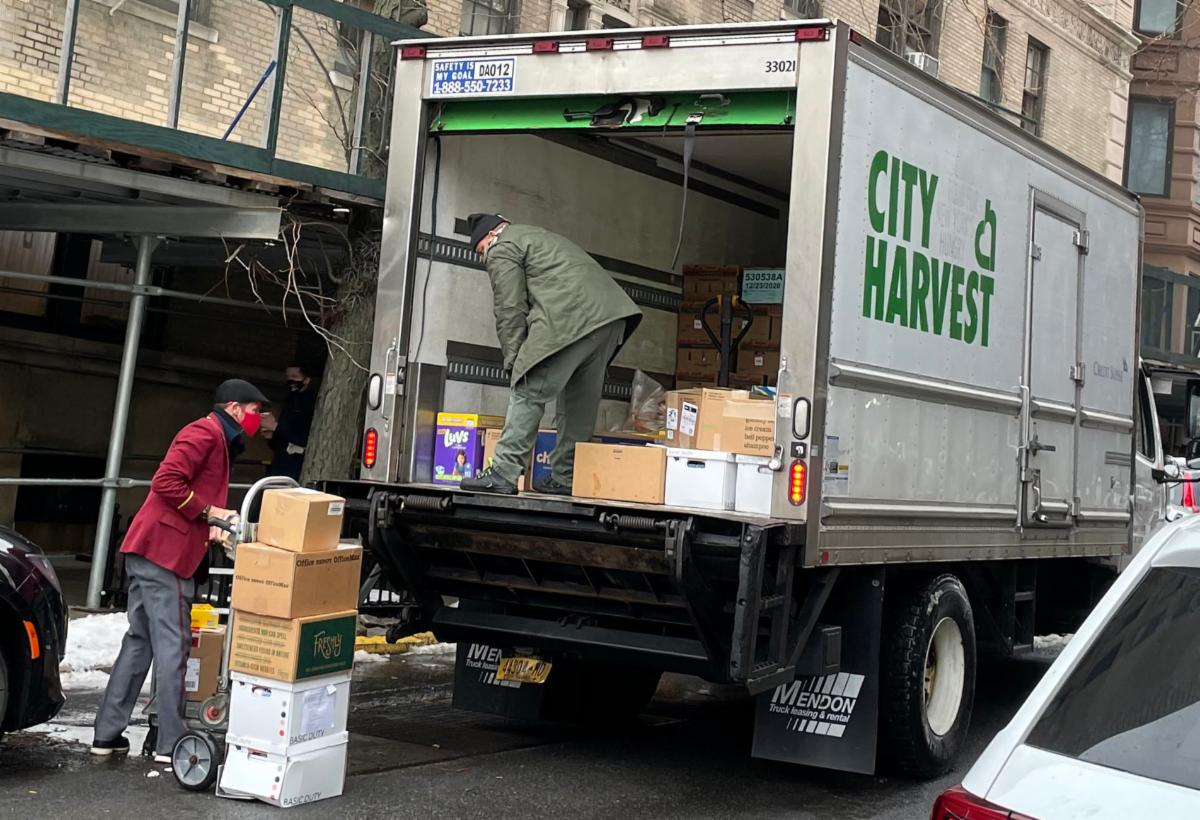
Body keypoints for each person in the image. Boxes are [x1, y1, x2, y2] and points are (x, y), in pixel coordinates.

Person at [91, 378, 267, 763]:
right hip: (164, 555)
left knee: (140, 641)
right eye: (255, 412)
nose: (259, 420)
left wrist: (211, 525)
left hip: (152, 550)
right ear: (234, 408)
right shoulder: (204, 433)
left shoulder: (214, 436)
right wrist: (209, 512)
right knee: (174, 643)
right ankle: (171, 742)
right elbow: (166, 481)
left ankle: (106, 734)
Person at [461, 214, 642, 496]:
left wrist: (515, 361)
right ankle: (565, 476)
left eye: (481, 250)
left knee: (528, 388)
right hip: (610, 319)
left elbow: (509, 308)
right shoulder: (536, 235)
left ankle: (503, 472)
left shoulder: (502, 246)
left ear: (491, 235)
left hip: (570, 317)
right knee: (578, 401)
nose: (484, 258)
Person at [263, 364, 316, 481]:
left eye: (295, 377)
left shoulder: (311, 404)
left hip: (296, 466)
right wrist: (271, 437)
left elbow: (304, 439)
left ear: (306, 380)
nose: (290, 380)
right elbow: (280, 442)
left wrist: (276, 427)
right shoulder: (289, 401)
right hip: (279, 463)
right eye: (288, 377)